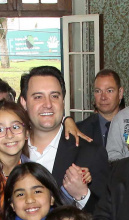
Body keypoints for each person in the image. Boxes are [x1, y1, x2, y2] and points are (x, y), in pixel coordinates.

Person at [20, 66, 110, 212]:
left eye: (54, 96)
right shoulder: (11, 150)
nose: (47, 104)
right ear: (24, 102)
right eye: (38, 97)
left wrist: (83, 196)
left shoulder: (90, 153)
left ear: (63, 100)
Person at [78, 69, 124, 146]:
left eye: (109, 91)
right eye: (98, 91)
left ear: (120, 93)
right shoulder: (81, 130)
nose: (103, 97)